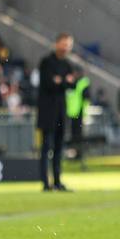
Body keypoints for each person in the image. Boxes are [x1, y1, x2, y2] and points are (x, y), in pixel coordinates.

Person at [37, 33, 75, 192]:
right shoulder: (46, 62)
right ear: (57, 44)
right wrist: (64, 82)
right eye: (64, 44)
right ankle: (46, 183)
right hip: (47, 111)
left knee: (59, 147)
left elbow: (72, 84)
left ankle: (57, 181)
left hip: (61, 111)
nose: (66, 48)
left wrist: (61, 81)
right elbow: (49, 83)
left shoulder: (67, 64)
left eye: (68, 45)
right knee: (46, 147)